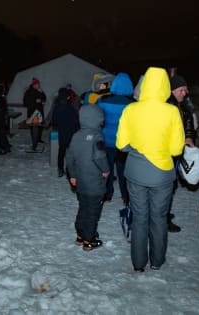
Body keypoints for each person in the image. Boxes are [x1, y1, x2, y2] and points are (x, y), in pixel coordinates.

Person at [116, 67, 185, 271]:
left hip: (135, 173)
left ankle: (138, 264)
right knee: (159, 217)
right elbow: (175, 148)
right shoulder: (171, 111)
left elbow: (121, 144)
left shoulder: (131, 109)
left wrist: (137, 149)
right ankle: (157, 261)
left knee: (139, 217)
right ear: (165, 86)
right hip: (162, 175)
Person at [66, 105, 110, 251]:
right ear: (98, 119)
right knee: (92, 212)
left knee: (83, 207)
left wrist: (72, 175)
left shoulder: (76, 135)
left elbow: (70, 157)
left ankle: (80, 235)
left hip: (80, 181)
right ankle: (89, 240)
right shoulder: (97, 136)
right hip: (94, 182)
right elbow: (100, 156)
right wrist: (106, 170)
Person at [96, 72, 134, 204]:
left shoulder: (103, 100)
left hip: (106, 140)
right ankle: (126, 195)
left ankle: (107, 193)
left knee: (108, 168)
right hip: (124, 143)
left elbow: (97, 119)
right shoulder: (133, 104)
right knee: (124, 170)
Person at [166, 74, 197, 232]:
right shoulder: (167, 107)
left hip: (177, 154)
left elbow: (188, 124)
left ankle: (164, 212)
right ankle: (163, 217)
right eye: (181, 90)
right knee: (167, 185)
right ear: (171, 90)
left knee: (171, 184)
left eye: (186, 90)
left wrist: (189, 137)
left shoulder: (183, 106)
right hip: (167, 154)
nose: (184, 93)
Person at [52, 87, 79, 177]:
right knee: (70, 152)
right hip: (71, 132)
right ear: (67, 97)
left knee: (61, 151)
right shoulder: (70, 108)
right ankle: (70, 170)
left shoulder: (57, 107)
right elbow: (76, 121)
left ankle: (60, 169)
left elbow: (54, 121)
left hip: (62, 132)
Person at [23, 78, 46, 152]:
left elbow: (44, 99)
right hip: (32, 114)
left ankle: (37, 140)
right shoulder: (28, 92)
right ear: (33, 85)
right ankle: (34, 145)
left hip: (39, 113)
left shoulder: (39, 91)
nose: (38, 86)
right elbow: (25, 103)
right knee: (34, 129)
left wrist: (42, 93)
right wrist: (35, 101)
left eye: (39, 84)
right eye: (37, 84)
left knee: (39, 128)